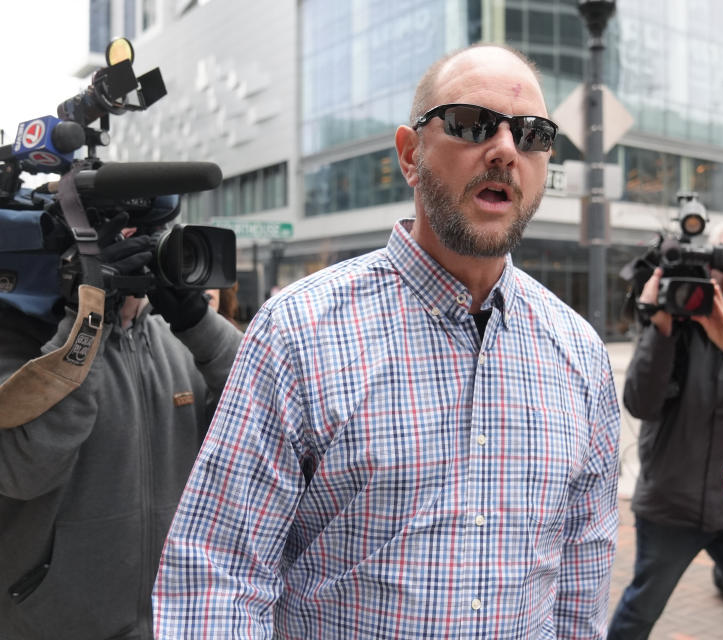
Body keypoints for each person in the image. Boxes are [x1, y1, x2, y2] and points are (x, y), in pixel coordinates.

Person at [152, 44, 621, 639]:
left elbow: (582, 573)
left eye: (532, 134)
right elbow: (217, 573)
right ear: (409, 155)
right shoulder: (299, 329)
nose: (505, 148)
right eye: (471, 124)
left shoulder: (579, 352)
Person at [0, 220, 242, 638]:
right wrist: (88, 320)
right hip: (53, 624)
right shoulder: (16, 338)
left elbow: (260, 417)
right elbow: (25, 471)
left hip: (174, 622)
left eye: (152, 230)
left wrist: (198, 320)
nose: (142, 245)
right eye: (118, 234)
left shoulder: (179, 339)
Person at [608, 219, 723, 639]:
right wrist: (662, 329)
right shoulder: (675, 325)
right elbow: (640, 402)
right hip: (670, 507)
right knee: (638, 614)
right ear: (708, 266)